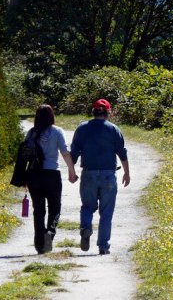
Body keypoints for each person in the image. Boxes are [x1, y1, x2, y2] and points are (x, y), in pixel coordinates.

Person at [70, 98, 130, 255]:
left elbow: (74, 152)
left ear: (93, 112)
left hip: (89, 173)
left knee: (87, 206)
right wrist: (127, 173)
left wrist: (72, 171)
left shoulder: (82, 128)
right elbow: (122, 153)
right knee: (106, 212)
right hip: (108, 175)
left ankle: (86, 228)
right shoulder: (113, 129)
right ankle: (103, 246)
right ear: (108, 112)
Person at [26, 104, 77, 254]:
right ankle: (50, 233)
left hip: (34, 175)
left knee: (38, 210)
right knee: (55, 208)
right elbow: (65, 152)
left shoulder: (31, 133)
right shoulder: (57, 131)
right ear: (52, 116)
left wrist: (24, 176)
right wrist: (72, 171)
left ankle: (39, 242)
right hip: (52, 174)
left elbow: (25, 156)